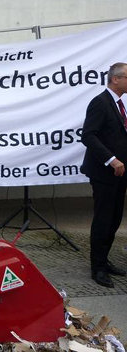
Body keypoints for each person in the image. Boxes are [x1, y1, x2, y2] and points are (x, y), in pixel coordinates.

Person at [81, 62, 127, 288]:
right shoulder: (100, 102)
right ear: (115, 79)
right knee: (103, 219)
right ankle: (97, 268)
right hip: (104, 173)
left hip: (120, 174)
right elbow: (88, 136)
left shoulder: (119, 104)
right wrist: (112, 159)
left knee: (115, 219)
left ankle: (105, 260)